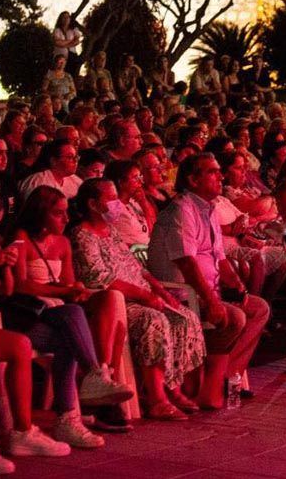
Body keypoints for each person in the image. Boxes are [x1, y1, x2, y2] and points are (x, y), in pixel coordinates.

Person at [0, 190, 130, 450]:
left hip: (8, 311)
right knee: (68, 335)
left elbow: (6, 291)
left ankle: (75, 406)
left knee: (72, 318)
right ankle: (80, 397)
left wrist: (3, 263)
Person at [72, 178, 206, 419]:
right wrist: (144, 295)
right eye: (111, 199)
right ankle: (157, 399)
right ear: (93, 204)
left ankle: (172, 386)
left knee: (183, 317)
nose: (117, 205)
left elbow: (136, 267)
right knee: (152, 320)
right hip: (116, 302)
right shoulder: (82, 236)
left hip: (141, 293)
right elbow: (100, 279)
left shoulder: (110, 231)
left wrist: (160, 291)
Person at [147, 153, 270, 410]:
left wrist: (238, 286)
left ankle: (226, 376)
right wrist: (212, 301)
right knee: (233, 318)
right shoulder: (181, 210)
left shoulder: (209, 208)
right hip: (182, 295)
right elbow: (187, 263)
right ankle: (208, 388)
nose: (220, 176)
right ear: (192, 179)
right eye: (212, 172)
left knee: (258, 308)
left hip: (207, 290)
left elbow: (219, 258)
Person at [13, 185, 134, 433]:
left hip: (59, 309)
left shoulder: (63, 243)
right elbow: (21, 284)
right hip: (33, 311)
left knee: (109, 303)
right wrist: (66, 291)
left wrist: (76, 289)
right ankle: (96, 386)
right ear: (41, 214)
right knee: (74, 318)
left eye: (66, 212)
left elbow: (67, 284)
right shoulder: (22, 237)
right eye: (58, 213)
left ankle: (98, 385)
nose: (66, 219)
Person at [18, 137, 82, 201]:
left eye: (76, 157)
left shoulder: (74, 180)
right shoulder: (39, 183)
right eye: (70, 157)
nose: (75, 161)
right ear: (54, 161)